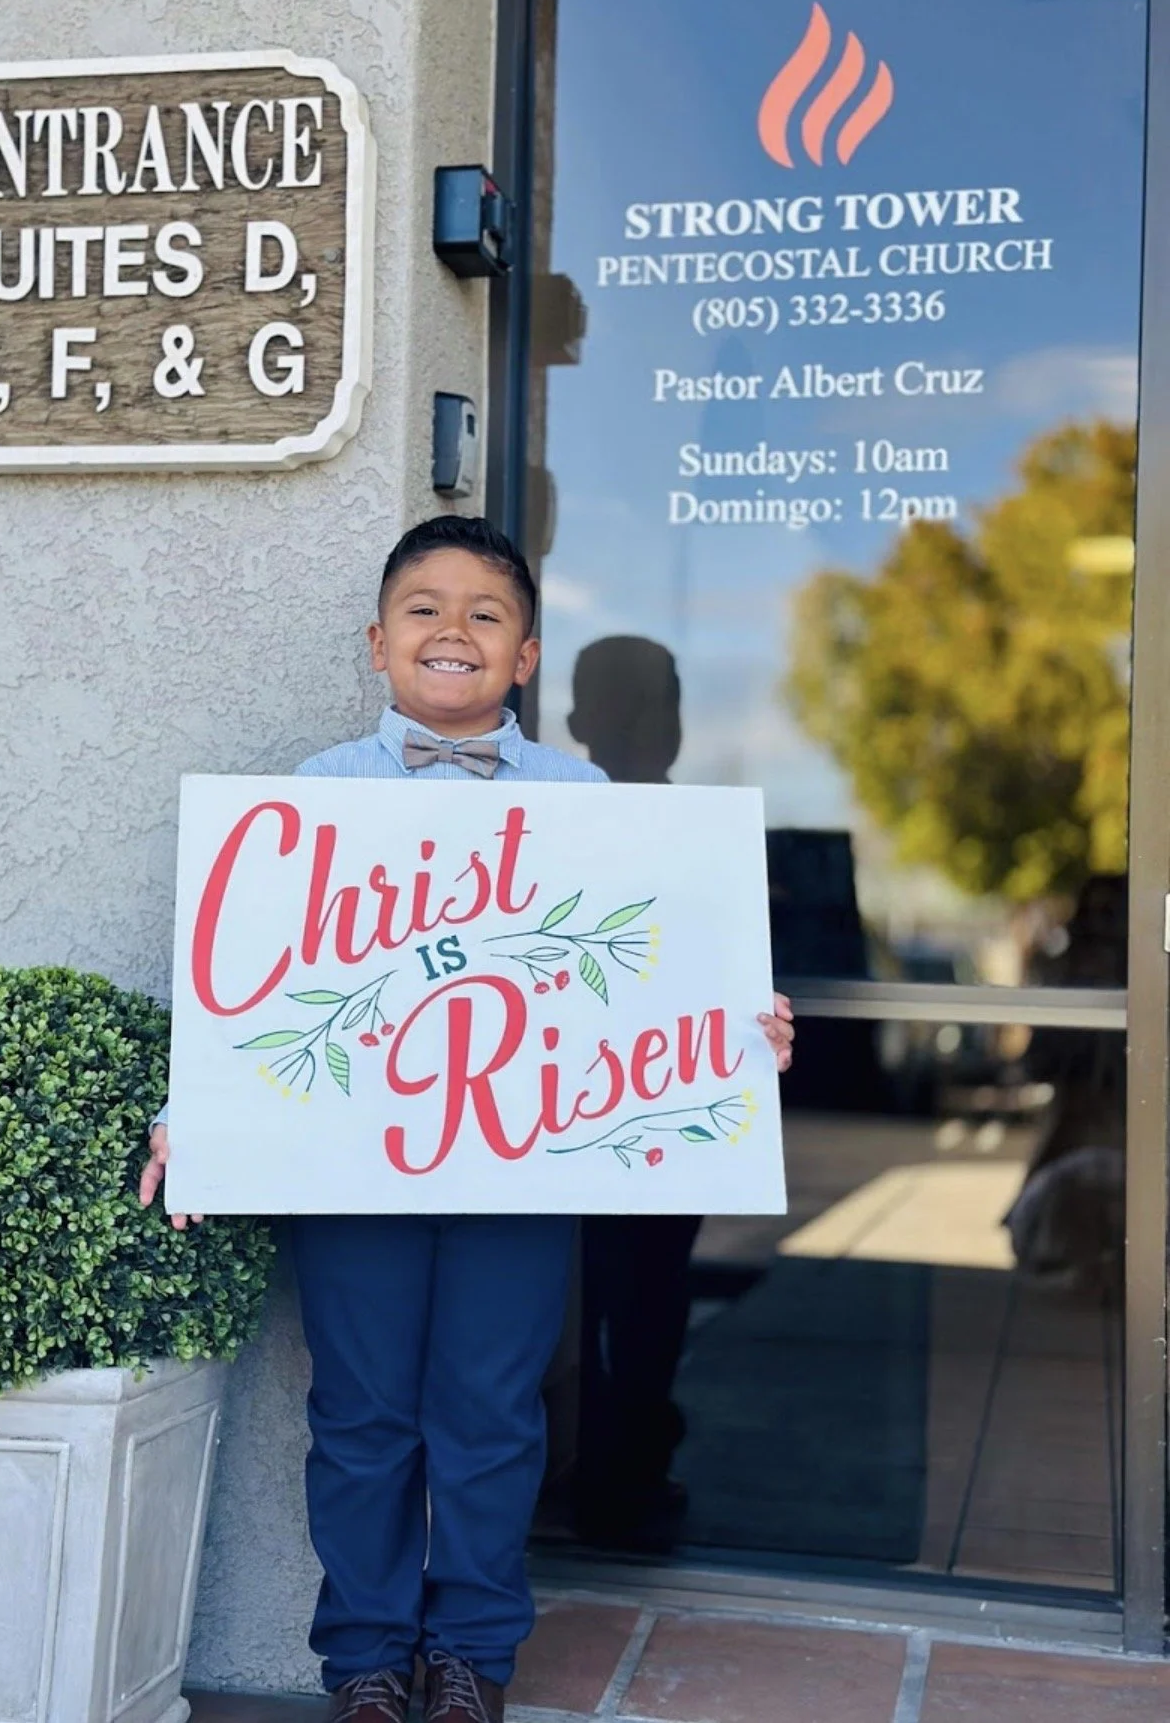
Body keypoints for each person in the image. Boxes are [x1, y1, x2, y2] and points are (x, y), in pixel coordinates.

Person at [140, 518, 795, 1723]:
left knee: (493, 1413)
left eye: (486, 613)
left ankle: (472, 1656)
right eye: (424, 609)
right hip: (352, 1165)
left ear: (528, 654)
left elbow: (650, 968)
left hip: (518, 1160)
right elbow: (252, 976)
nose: (453, 631)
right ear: (378, 644)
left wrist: (737, 1036)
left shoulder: (581, 796)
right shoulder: (318, 793)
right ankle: (370, 1656)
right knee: (362, 1412)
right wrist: (201, 1113)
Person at [567, 636, 702, 1552]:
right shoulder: (551, 829)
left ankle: (631, 1466)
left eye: (666, 704)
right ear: (578, 725)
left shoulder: (706, 844)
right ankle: (603, 1468)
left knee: (652, 1297)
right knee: (591, 1296)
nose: (655, 725)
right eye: (637, 704)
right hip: (568, 1108)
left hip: (672, 1101)